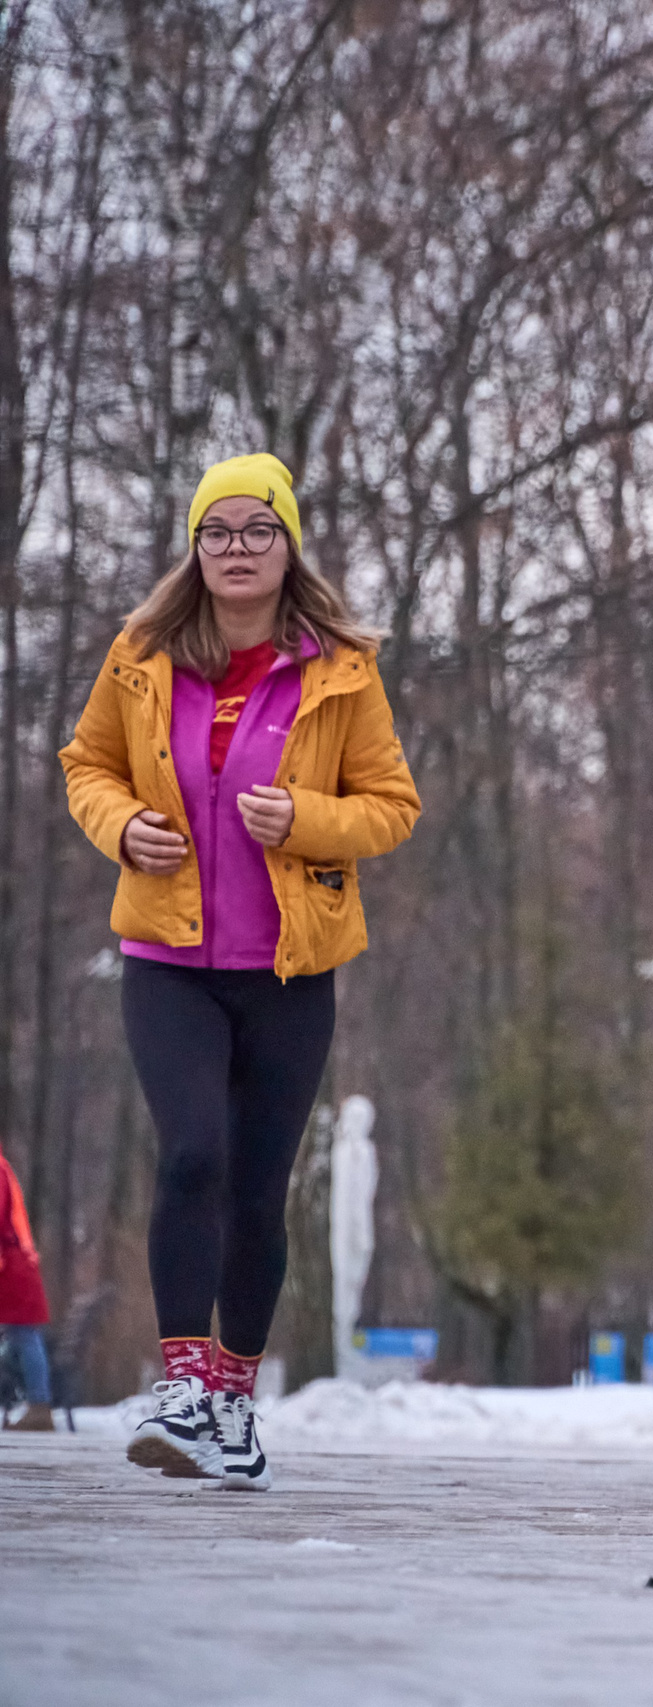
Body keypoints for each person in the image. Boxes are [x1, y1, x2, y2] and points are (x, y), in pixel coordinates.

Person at [60, 453, 420, 1491]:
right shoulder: (142, 655)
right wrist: (124, 825)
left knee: (259, 1195)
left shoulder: (341, 668)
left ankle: (231, 1401)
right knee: (191, 1159)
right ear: (194, 548)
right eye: (216, 532)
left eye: (257, 529)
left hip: (289, 967)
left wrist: (305, 820)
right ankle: (178, 1385)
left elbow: (391, 806)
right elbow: (86, 764)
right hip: (168, 960)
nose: (236, 549)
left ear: (289, 543)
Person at [0, 1144, 53, 1432]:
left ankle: (39, 1405)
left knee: (24, 1334)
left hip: (12, 1266)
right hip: (15, 1264)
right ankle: (38, 1404)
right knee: (22, 1335)